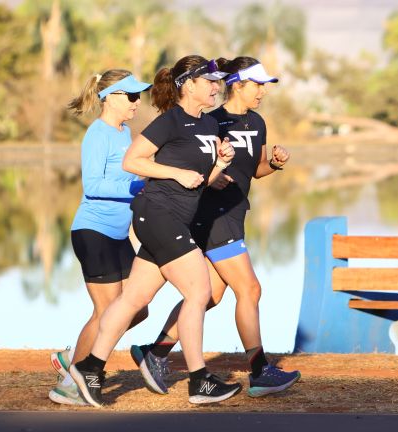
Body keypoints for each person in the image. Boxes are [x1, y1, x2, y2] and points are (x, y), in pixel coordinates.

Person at [69, 55, 242, 407]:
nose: (215, 87)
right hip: (157, 214)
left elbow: (199, 182)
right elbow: (133, 162)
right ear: (188, 85)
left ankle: (90, 367)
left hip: (173, 217)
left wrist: (220, 163)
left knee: (134, 299)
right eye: (208, 81)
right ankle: (199, 380)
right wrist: (175, 174)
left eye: (216, 81)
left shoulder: (209, 125)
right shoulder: (170, 122)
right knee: (199, 292)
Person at [130, 56, 301, 399]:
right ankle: (259, 371)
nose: (262, 92)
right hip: (212, 217)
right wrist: (206, 177)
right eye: (257, 85)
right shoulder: (213, 121)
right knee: (250, 290)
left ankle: (156, 351)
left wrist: (275, 164)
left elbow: (254, 171)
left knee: (211, 294)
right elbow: (191, 163)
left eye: (265, 86)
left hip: (236, 214)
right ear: (237, 84)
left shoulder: (257, 122)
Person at [47, 70, 152, 406]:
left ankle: (70, 360)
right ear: (112, 97)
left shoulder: (125, 134)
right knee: (107, 311)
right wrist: (136, 186)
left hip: (118, 235)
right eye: (132, 96)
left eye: (139, 96)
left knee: (137, 310)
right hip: (93, 232)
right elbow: (93, 186)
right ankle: (71, 382)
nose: (138, 102)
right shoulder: (98, 134)